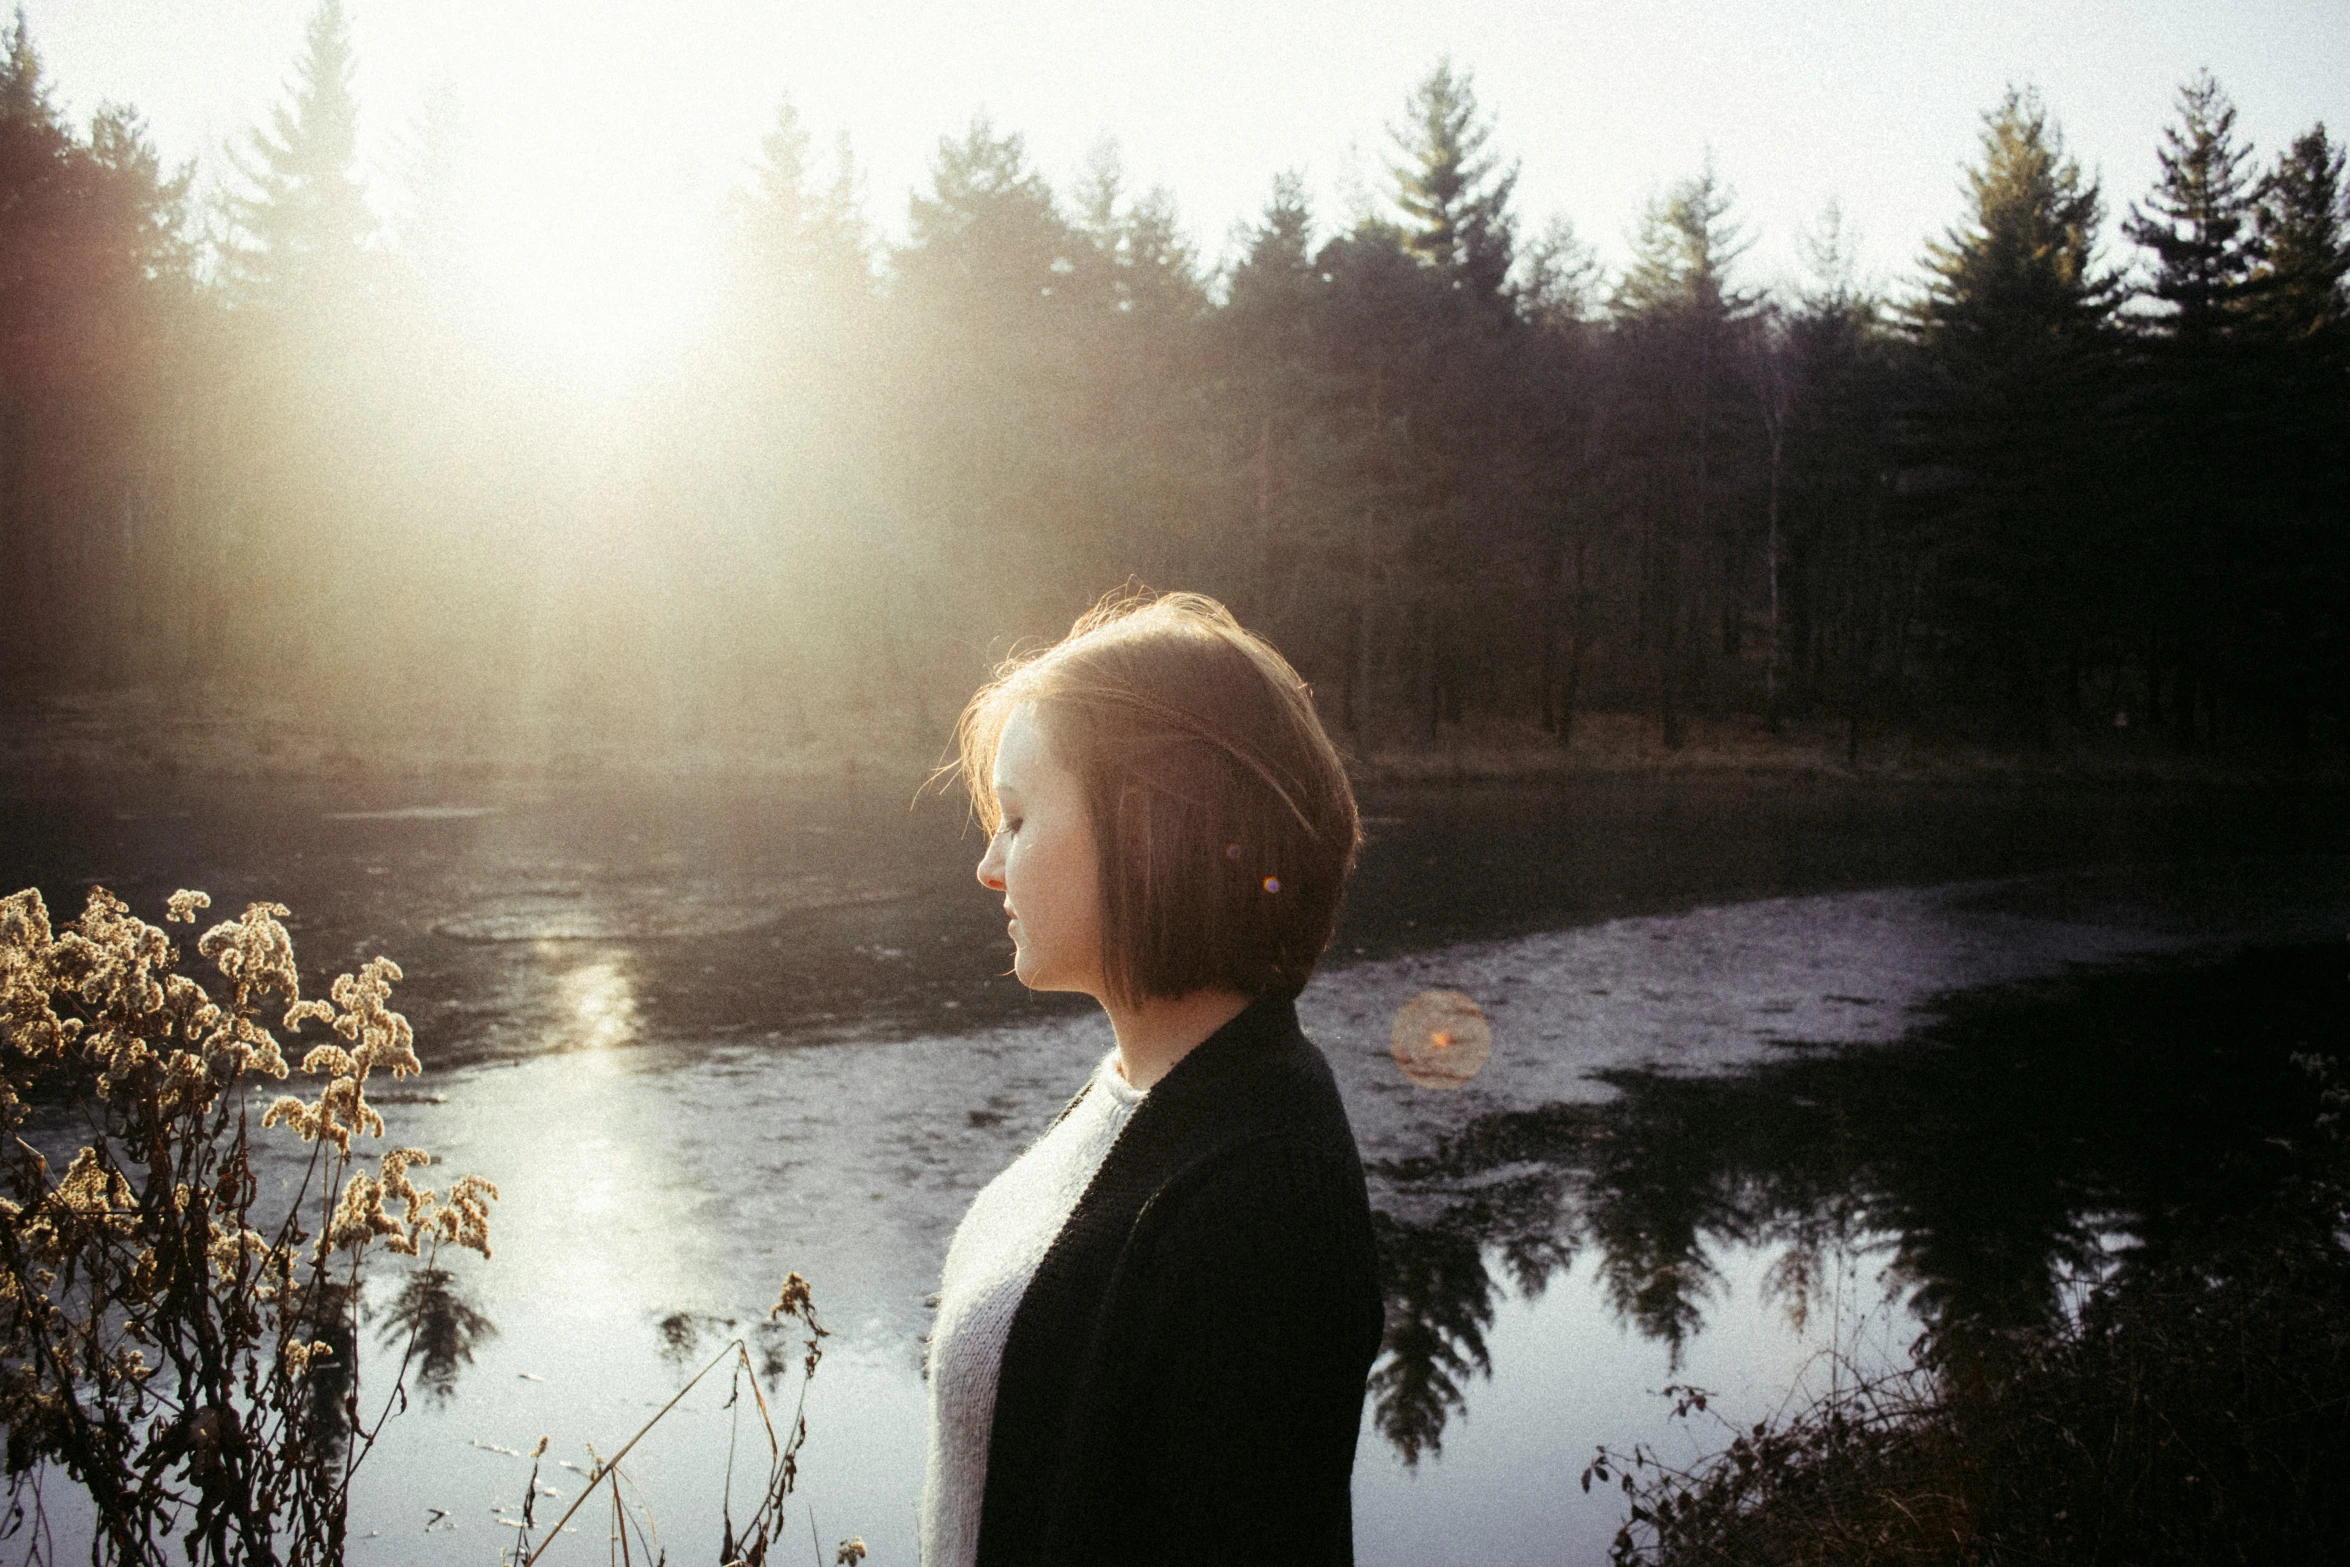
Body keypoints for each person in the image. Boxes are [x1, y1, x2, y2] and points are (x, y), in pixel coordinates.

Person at [920, 591, 1384, 1567]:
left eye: (1016, 818)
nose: (987, 866)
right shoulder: (1146, 1089)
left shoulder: (1260, 1197)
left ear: (1148, 828)